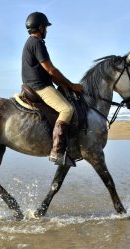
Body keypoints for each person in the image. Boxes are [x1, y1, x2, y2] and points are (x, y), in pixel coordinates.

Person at [22, 12, 83, 165]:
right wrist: (72, 85)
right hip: (40, 87)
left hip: (35, 84)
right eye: (45, 27)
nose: (46, 31)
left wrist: (62, 84)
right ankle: (57, 151)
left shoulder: (31, 42)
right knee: (67, 110)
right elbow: (51, 70)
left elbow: (49, 73)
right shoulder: (37, 43)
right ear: (41, 27)